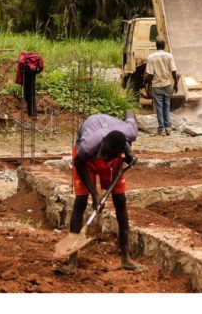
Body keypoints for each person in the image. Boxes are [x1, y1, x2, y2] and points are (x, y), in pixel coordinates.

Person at [57, 110, 141, 275]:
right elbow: (79, 163)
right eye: (103, 153)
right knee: (81, 201)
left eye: (108, 155)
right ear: (102, 144)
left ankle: (126, 258)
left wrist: (129, 154)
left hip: (114, 149)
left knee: (120, 200)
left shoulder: (130, 132)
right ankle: (71, 261)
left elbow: (129, 112)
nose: (103, 157)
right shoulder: (88, 145)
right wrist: (95, 196)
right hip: (84, 160)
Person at [145, 38, 179, 136]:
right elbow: (174, 71)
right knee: (167, 106)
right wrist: (176, 84)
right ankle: (168, 128)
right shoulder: (169, 56)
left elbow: (150, 74)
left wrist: (148, 87)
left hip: (156, 85)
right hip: (167, 84)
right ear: (164, 46)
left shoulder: (151, 57)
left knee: (159, 107)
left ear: (156, 46)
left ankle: (162, 129)